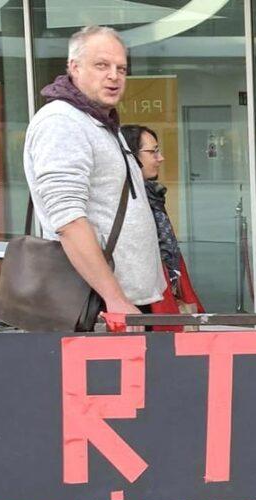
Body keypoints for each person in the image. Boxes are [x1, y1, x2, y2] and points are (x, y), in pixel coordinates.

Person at [24, 25, 165, 330]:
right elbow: (69, 220)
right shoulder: (62, 122)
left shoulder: (96, 121)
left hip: (115, 301)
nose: (114, 76)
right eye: (102, 65)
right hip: (95, 307)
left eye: (121, 68)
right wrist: (114, 298)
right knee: (107, 379)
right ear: (74, 68)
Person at [122, 124, 205, 322]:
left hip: (161, 293)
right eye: (153, 152)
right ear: (132, 156)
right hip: (141, 301)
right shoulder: (127, 201)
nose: (160, 158)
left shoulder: (149, 195)